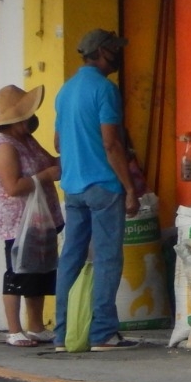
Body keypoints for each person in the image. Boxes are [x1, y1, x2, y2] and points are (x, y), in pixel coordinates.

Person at [54, 29, 140, 352]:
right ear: (103, 52)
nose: (118, 57)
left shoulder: (65, 91)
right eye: (114, 51)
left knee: (70, 259)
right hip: (103, 186)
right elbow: (111, 143)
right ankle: (102, 332)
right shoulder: (105, 90)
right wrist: (129, 187)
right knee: (106, 259)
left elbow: (58, 143)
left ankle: (62, 335)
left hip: (73, 188)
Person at [0, 85, 63, 347]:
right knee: (18, 272)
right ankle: (14, 329)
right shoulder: (4, 147)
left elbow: (50, 161)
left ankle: (37, 326)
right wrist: (45, 177)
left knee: (38, 271)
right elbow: (13, 187)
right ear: (15, 119)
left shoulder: (26, 140)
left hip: (41, 220)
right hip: (19, 223)